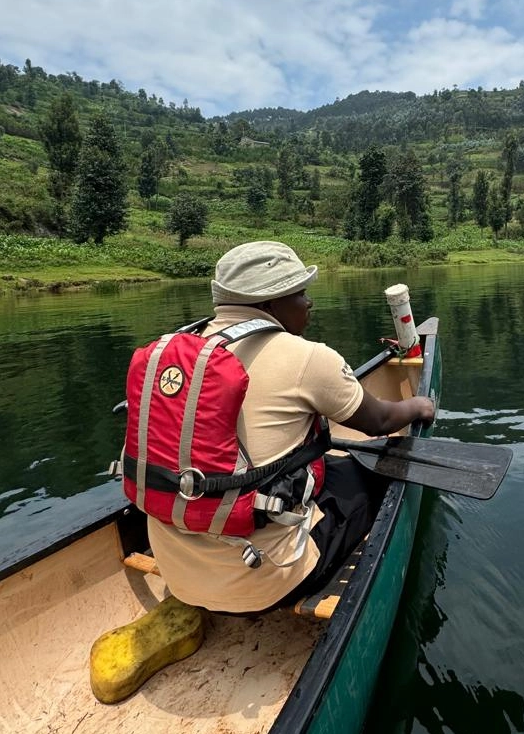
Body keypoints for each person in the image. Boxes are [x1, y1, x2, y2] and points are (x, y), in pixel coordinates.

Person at [147, 240, 435, 614]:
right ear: (270, 305)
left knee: (319, 466)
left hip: (177, 572)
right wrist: (418, 404)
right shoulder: (307, 357)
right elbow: (379, 421)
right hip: (263, 583)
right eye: (300, 293)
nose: (308, 302)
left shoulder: (184, 351)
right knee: (382, 472)